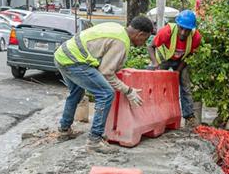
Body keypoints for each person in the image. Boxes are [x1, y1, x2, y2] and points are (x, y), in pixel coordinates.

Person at [54, 15, 154, 152]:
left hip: (62, 55)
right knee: (106, 94)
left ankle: (64, 131)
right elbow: (106, 73)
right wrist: (128, 91)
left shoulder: (117, 29)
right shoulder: (121, 41)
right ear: (140, 34)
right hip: (74, 61)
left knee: (76, 92)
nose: (144, 43)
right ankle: (95, 139)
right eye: (145, 39)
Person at [147, 9, 202, 127]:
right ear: (177, 25)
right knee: (158, 86)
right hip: (163, 60)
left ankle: (189, 116)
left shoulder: (196, 37)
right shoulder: (167, 31)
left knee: (185, 86)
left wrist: (178, 70)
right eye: (181, 28)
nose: (183, 32)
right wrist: (155, 63)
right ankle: (154, 114)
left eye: (187, 30)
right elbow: (150, 47)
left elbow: (190, 56)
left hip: (181, 61)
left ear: (191, 29)